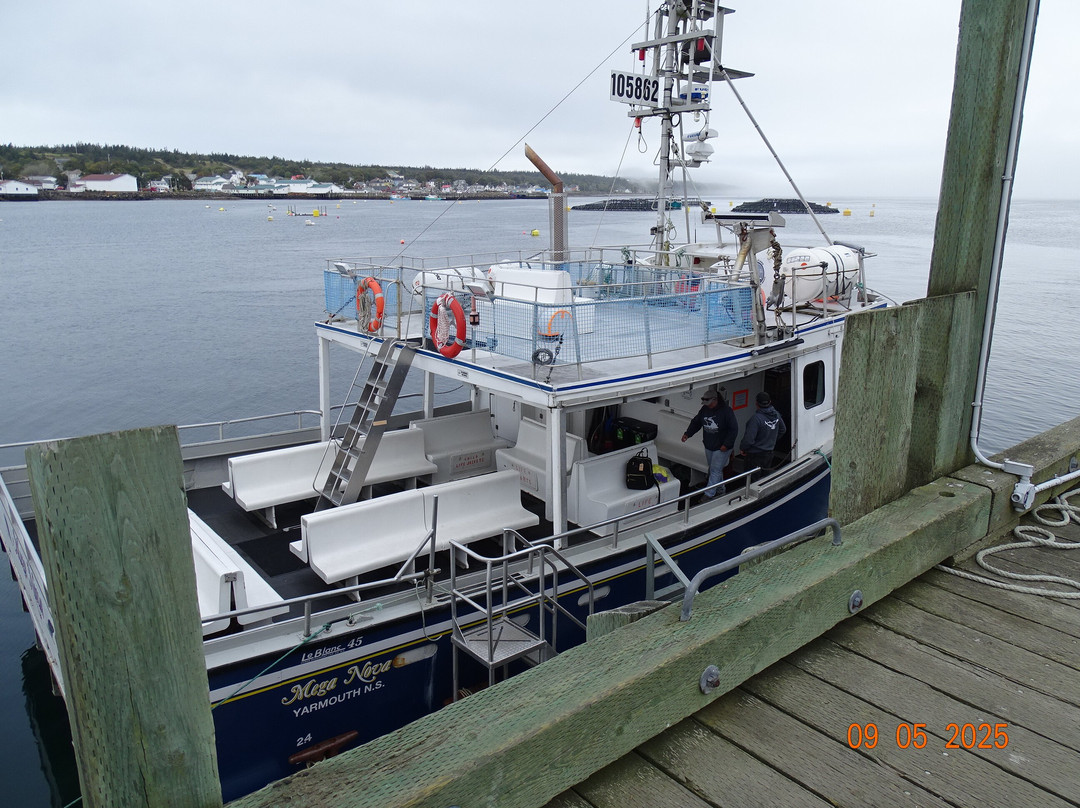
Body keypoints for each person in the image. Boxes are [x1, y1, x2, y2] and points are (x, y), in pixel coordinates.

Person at [681, 387, 738, 498]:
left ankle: (708, 495)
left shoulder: (727, 411)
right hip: (709, 445)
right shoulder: (704, 409)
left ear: (715, 400)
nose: (707, 405)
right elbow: (696, 422)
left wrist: (726, 444)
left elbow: (734, 429)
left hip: (722, 447)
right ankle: (721, 490)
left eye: (709, 402)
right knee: (715, 469)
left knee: (715, 470)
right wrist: (688, 434)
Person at [740, 391, 787, 478]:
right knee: (765, 477)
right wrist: (771, 440)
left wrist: (743, 448)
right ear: (770, 402)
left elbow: (749, 439)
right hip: (769, 453)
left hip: (754, 455)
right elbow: (783, 430)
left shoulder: (756, 419)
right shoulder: (776, 414)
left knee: (752, 479)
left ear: (756, 403)